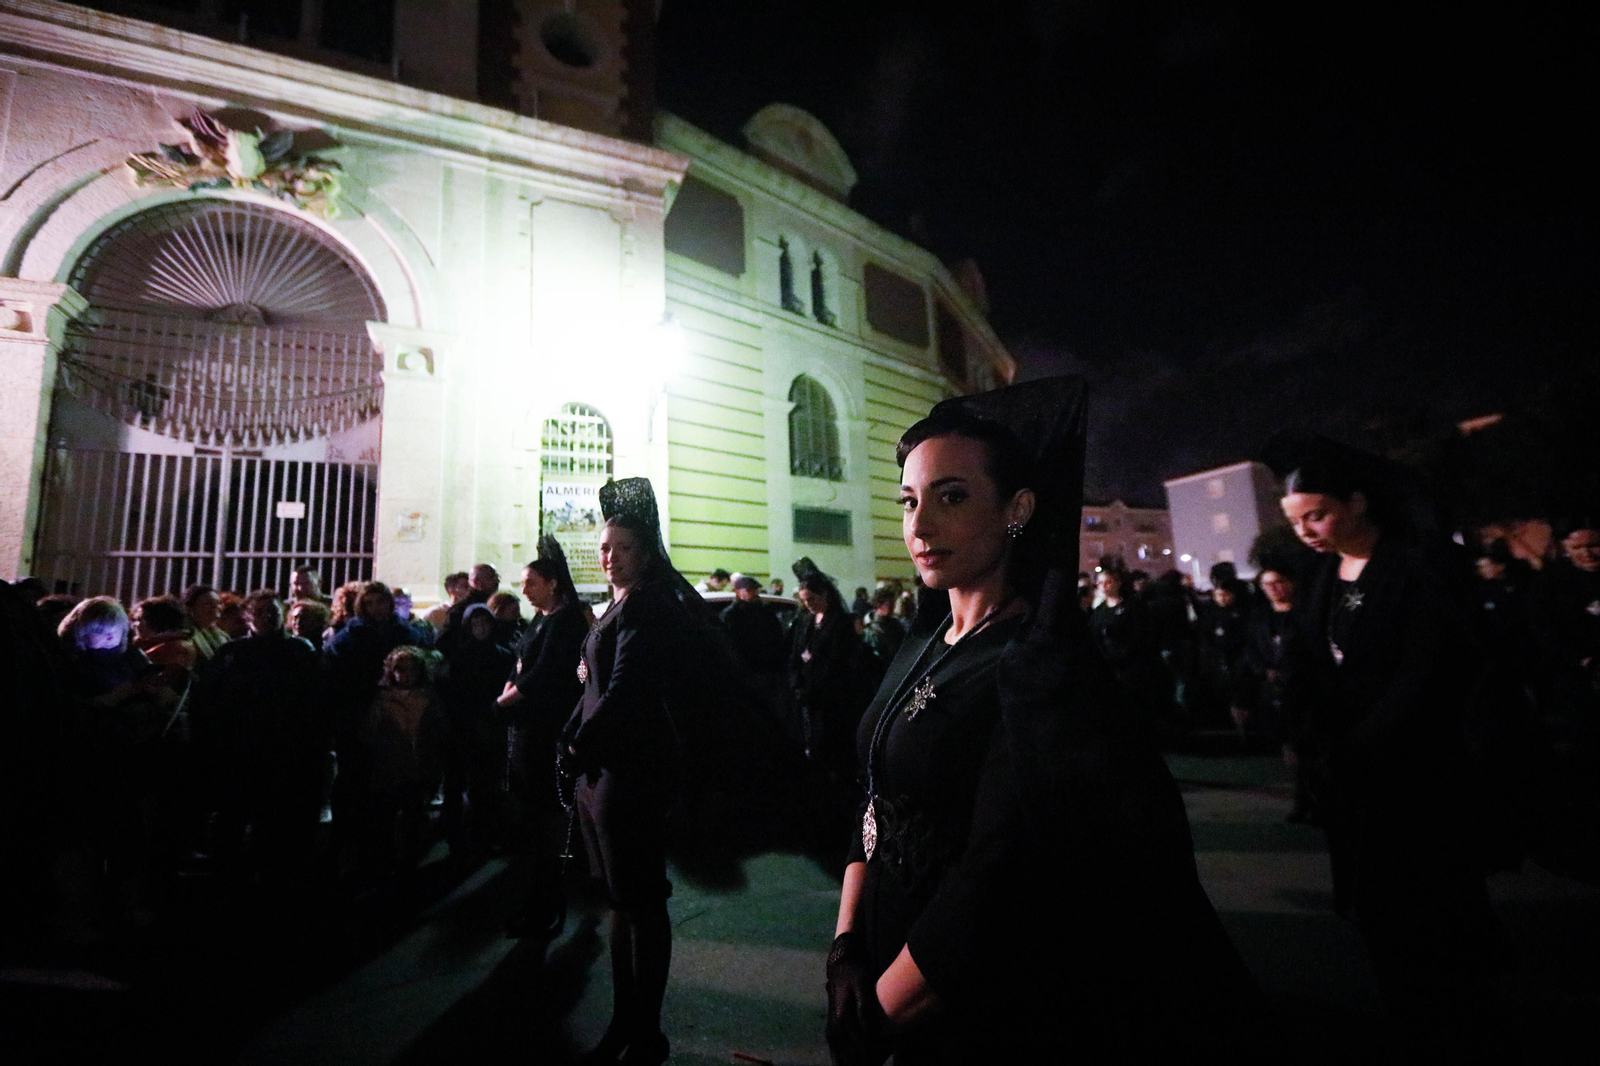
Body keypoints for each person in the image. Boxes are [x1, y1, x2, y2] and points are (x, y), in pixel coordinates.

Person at [827, 380, 1264, 1064]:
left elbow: (998, 878)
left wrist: (876, 1015)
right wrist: (846, 945)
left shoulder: (1040, 671)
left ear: (1018, 510)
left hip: (973, 1003)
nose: (919, 525)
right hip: (884, 957)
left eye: (953, 496)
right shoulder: (920, 643)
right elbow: (874, 792)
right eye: (909, 502)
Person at [1277, 442, 1512, 1055]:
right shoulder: (1321, 573)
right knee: (1378, 913)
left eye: (1317, 516)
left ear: (1357, 503)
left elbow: (1431, 667)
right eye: (1294, 521)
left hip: (1417, 767)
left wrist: (1366, 740)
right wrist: (1310, 728)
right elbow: (1306, 655)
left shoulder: (1418, 564)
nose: (1305, 532)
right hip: (1353, 774)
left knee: (1434, 906)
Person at [561, 479, 699, 1066]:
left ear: (644, 553)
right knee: (620, 901)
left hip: (627, 772)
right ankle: (626, 1019)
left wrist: (578, 743)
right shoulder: (616, 607)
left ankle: (646, 1031)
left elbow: (625, 689)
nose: (607, 555)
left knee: (641, 901)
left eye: (619, 546)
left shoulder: (646, 604)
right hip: (599, 770)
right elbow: (592, 686)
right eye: (603, 546)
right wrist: (571, 733)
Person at [191, 590, 326, 884]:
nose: (267, 617)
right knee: (233, 818)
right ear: (248, 616)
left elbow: (315, 701)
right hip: (239, 750)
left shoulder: (299, 651)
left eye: (273, 612)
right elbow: (211, 700)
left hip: (282, 750)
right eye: (261, 612)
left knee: (273, 821)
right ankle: (228, 879)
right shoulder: (231, 653)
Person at [499, 540, 590, 939]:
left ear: (552, 584)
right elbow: (521, 665)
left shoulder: (565, 622)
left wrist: (504, 702)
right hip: (525, 730)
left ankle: (547, 903)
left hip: (545, 733)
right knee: (530, 821)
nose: (524, 590)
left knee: (545, 821)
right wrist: (508, 691)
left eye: (530, 582)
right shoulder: (540, 620)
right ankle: (535, 901)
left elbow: (545, 674)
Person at [360, 646, 448, 873]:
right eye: (400, 669)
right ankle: (387, 857)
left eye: (411, 669)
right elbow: (369, 735)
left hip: (419, 767)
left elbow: (440, 732)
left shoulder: (429, 698)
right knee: (386, 815)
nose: (406, 674)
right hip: (390, 768)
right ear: (391, 671)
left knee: (415, 814)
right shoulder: (382, 701)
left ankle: (412, 856)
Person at [441, 602, 516, 854]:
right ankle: (458, 836)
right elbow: (453, 694)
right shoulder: (460, 656)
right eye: (475, 623)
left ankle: (484, 834)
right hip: (463, 728)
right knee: (459, 783)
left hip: (491, 726)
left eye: (485, 623)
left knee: (487, 784)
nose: (480, 628)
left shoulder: (503, 655)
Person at [1241, 567, 1315, 821]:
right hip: (1274, 691)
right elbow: (1251, 649)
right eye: (1267, 584)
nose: (1273, 588)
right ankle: (1302, 800)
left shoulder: (1307, 613)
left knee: (1308, 748)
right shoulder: (1261, 617)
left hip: (1305, 689)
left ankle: (1313, 800)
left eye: (1278, 582)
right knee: (1290, 749)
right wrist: (1263, 671)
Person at [790, 567, 869, 769]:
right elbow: (796, 651)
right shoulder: (805, 620)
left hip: (830, 696)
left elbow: (838, 660)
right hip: (808, 693)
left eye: (811, 599)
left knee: (830, 744)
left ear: (824, 595)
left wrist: (817, 684)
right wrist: (797, 680)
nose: (808, 605)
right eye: (804, 600)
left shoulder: (840, 622)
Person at [861, 588, 907, 675]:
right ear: (879, 604)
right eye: (890, 604)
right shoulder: (869, 629)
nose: (893, 607)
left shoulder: (896, 624)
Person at [182, 584, 231, 662]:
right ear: (191, 608)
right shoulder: (184, 635)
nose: (215, 607)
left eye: (218, 603)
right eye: (208, 603)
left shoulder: (223, 636)